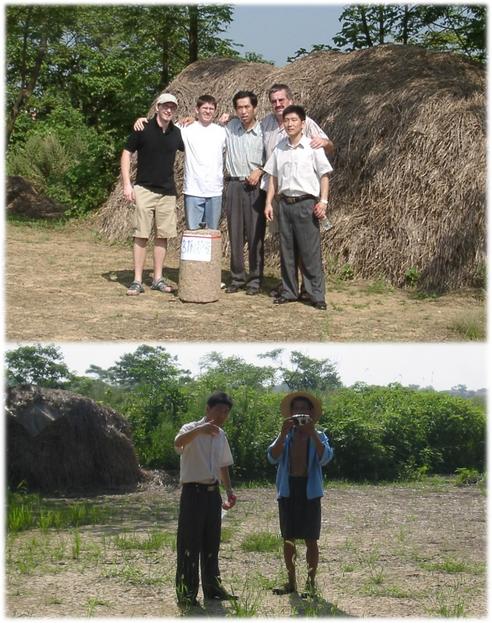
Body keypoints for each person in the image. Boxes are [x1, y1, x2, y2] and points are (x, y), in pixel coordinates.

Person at [260, 83, 334, 297]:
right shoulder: (279, 146)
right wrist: (268, 202)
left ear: (302, 124)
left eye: (294, 120)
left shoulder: (311, 144)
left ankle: (314, 294)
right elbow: (273, 176)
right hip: (284, 203)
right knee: (288, 250)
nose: (289, 123)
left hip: (306, 203)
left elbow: (324, 174)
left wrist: (323, 201)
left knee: (309, 251)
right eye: (287, 121)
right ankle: (289, 291)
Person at [267, 391, 333, 597]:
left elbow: (325, 459)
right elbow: (272, 457)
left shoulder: (319, 436)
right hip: (288, 490)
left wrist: (312, 433)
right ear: (291, 413)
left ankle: (311, 583)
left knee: (311, 539)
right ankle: (291, 582)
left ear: (311, 413)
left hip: (310, 491)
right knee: (288, 538)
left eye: (304, 409)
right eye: (296, 409)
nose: (300, 412)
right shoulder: (286, 434)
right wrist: (282, 433)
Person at [174, 391, 237, 606]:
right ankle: (186, 593)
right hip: (193, 492)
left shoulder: (221, 435)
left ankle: (213, 589)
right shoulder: (190, 429)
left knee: (212, 543)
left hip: (213, 495)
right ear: (207, 409)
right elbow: (178, 443)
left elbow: (223, 465)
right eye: (219, 409)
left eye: (226, 411)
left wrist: (229, 491)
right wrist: (200, 429)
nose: (222, 414)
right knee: (189, 543)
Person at [121, 93, 184, 296]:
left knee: (163, 236)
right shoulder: (143, 128)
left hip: (167, 192)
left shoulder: (177, 133)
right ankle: (137, 280)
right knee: (141, 235)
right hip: (144, 190)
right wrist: (127, 185)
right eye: (165, 106)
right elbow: (126, 153)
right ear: (157, 107)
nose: (168, 110)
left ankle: (157, 278)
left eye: (172, 107)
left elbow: (196, 138)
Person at [134, 95, 226, 230]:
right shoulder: (184, 128)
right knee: (193, 235)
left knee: (212, 235)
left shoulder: (222, 132)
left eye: (211, 108)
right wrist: (143, 121)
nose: (208, 111)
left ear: (215, 111)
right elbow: (161, 125)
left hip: (215, 191)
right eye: (204, 108)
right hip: (193, 190)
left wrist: (230, 117)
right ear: (196, 110)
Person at [223, 90, 266, 295]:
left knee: (256, 234)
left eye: (247, 107)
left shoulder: (264, 131)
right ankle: (237, 278)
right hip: (233, 185)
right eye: (239, 107)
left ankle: (255, 280)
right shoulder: (230, 128)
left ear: (254, 108)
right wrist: (190, 118)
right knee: (235, 234)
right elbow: (205, 124)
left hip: (256, 188)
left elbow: (275, 157)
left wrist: (260, 169)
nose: (243, 111)